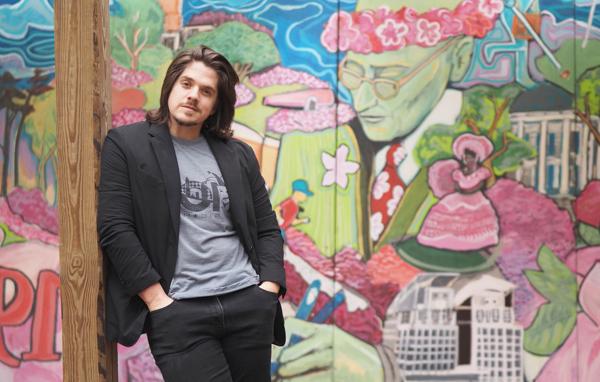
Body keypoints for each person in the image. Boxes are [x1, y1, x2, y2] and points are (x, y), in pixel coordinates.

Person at [98, 46, 286, 382]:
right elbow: (115, 228)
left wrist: (267, 290)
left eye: (206, 91)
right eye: (187, 84)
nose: (193, 95)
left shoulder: (238, 154)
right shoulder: (127, 144)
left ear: (216, 104)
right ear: (171, 86)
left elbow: (267, 229)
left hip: (246, 303)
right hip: (179, 312)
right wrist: (157, 300)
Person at [417, 133, 500, 251]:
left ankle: (473, 243)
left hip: (475, 199)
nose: (467, 160)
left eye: (470, 157)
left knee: (474, 218)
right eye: (465, 157)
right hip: (459, 197)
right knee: (445, 208)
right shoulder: (458, 172)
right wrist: (463, 182)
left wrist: (469, 183)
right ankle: (445, 239)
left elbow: (477, 186)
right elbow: (458, 187)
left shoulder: (482, 172)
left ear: (477, 158)